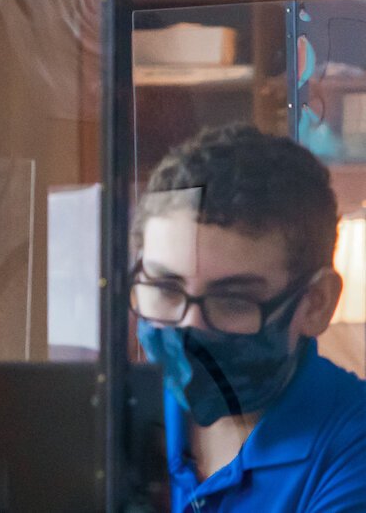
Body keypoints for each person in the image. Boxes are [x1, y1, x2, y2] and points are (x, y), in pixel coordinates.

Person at [131, 123, 366, 512]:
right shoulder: (115, 414)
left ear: (317, 304)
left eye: (232, 300)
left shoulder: (351, 448)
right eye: (166, 289)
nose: (188, 328)